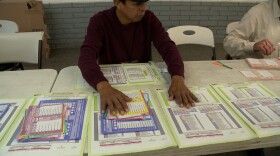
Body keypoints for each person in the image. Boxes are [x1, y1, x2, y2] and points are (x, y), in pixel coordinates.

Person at [78, 0, 198, 116]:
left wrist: (178, 77)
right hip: (112, 82)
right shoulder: (99, 21)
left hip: (144, 82)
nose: (144, 8)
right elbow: (86, 56)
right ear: (118, 3)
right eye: (137, 4)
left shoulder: (149, 19)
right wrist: (103, 86)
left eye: (145, 2)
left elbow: (167, 46)